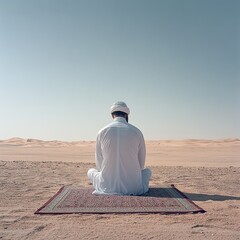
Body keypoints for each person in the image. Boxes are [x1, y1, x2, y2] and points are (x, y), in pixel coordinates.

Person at [87, 101, 152, 195]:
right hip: (134, 188)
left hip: (107, 186)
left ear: (112, 115)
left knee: (91, 171)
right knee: (147, 171)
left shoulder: (102, 132)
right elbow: (141, 164)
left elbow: (99, 163)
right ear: (126, 115)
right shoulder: (137, 131)